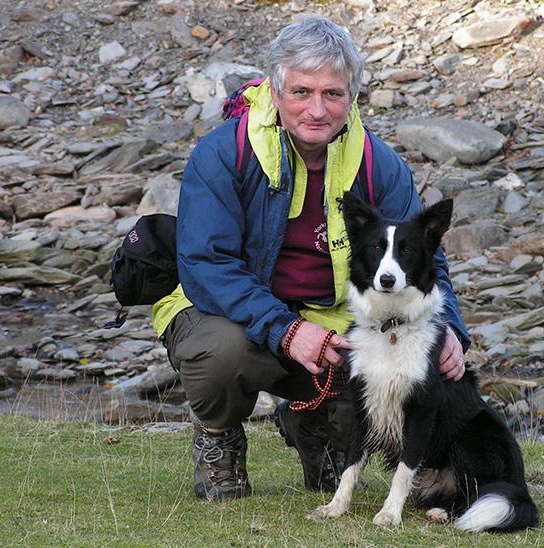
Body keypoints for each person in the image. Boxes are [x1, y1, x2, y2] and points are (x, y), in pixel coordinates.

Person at [151, 16, 471, 502]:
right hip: (227, 313)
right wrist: (287, 330)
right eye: (301, 92)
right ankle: (219, 439)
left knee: (385, 365)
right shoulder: (223, 154)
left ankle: (310, 422)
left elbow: (425, 261)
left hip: (333, 321)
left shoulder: (379, 165)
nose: (317, 110)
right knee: (223, 351)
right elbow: (205, 263)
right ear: (275, 92)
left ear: (353, 97)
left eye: (333, 94)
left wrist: (450, 331)